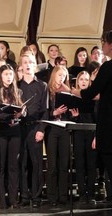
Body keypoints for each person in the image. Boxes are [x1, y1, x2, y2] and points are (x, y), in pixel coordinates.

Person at [71, 29, 112, 216]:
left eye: (104, 42)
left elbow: (90, 93)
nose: (102, 45)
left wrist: (70, 90)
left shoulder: (109, 66)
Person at [0, 64, 26, 209]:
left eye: (11, 75)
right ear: (0, 76)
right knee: (1, 167)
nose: (9, 77)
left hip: (15, 131)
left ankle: (13, 199)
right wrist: (6, 114)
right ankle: (2, 199)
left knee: (13, 166)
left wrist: (22, 113)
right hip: (1, 131)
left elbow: (23, 110)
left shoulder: (18, 92)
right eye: (6, 74)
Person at [18, 54, 48, 208]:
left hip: (36, 127)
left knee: (36, 164)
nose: (28, 65)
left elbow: (44, 110)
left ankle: (36, 196)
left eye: (30, 62)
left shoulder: (42, 85)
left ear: (35, 65)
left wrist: (41, 129)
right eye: (25, 62)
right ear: (21, 66)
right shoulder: (16, 86)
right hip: (20, 128)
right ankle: (24, 195)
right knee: (21, 163)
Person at [46, 65, 70, 206]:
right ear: (54, 75)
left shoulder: (67, 91)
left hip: (65, 129)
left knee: (64, 164)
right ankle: (52, 196)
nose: (62, 78)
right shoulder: (48, 90)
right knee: (52, 165)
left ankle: (63, 195)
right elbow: (44, 110)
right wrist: (53, 113)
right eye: (60, 75)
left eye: (64, 76)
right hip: (52, 129)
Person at [71, 71, 97, 205]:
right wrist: (74, 117)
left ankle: (91, 194)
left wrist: (96, 137)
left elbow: (99, 119)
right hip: (78, 133)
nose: (83, 81)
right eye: (81, 79)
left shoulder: (95, 98)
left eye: (86, 79)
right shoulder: (73, 97)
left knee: (91, 165)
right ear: (77, 81)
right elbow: (69, 118)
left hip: (92, 133)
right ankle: (82, 194)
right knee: (80, 165)